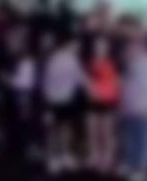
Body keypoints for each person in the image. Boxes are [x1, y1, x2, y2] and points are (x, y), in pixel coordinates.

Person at [43, 35, 88, 174]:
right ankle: (52, 158)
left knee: (65, 129)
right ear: (68, 44)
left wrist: (91, 88)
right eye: (75, 44)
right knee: (53, 131)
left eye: (78, 45)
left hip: (68, 101)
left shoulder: (74, 60)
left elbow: (81, 79)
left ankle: (64, 155)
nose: (78, 47)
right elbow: (47, 83)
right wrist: (48, 106)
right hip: (54, 101)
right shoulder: (55, 59)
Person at [87, 36, 119, 173]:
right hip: (92, 102)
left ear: (107, 48)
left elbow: (116, 84)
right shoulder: (89, 63)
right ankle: (95, 156)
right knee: (93, 132)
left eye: (103, 46)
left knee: (107, 132)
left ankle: (108, 158)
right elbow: (86, 83)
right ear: (94, 48)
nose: (100, 48)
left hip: (108, 102)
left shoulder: (113, 63)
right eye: (97, 46)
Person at [121, 37, 147, 181]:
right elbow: (126, 88)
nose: (129, 50)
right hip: (129, 109)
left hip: (142, 110)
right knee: (130, 139)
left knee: (141, 142)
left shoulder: (144, 64)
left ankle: (140, 171)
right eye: (129, 48)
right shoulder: (130, 64)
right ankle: (131, 166)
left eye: (133, 47)